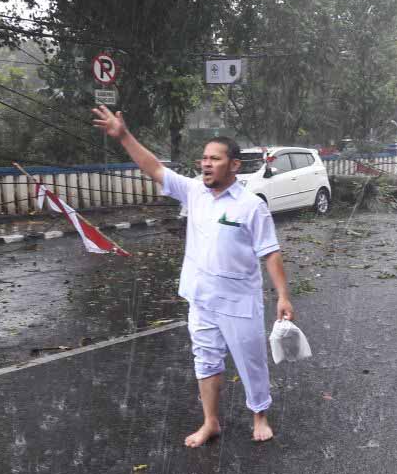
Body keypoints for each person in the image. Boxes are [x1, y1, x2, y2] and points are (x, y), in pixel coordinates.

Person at [91, 104, 295, 447]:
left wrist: (284, 296)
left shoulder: (250, 206)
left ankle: (259, 414)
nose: (205, 163)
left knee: (251, 360)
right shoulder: (194, 192)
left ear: (234, 165)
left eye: (215, 159)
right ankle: (211, 422)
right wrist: (123, 135)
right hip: (201, 297)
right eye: (204, 158)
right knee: (205, 359)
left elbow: (270, 252)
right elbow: (154, 168)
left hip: (239, 300)